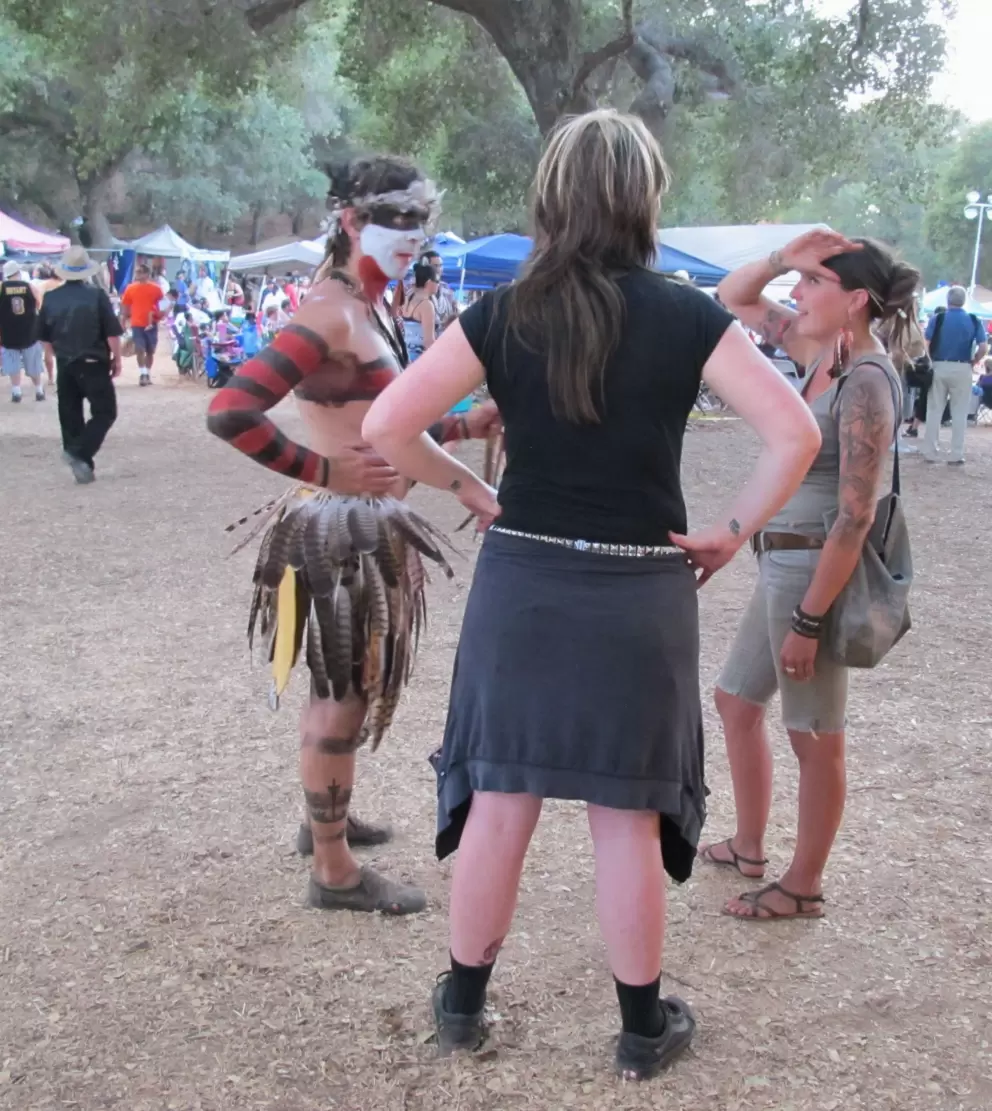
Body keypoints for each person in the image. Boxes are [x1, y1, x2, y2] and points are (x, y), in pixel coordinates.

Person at [362, 110, 821, 1078]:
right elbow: (795, 435)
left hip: (523, 578)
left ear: (551, 197)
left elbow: (390, 424)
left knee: (500, 799)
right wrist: (729, 534)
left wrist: (471, 489)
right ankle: (639, 1028)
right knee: (626, 814)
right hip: (638, 594)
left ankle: (460, 1006)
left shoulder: (503, 311)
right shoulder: (689, 312)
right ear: (642, 198)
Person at [206, 155, 502, 916]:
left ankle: (325, 823)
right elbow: (232, 410)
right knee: (341, 695)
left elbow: (386, 422)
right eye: (395, 222)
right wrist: (325, 470)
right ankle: (333, 869)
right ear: (349, 223)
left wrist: (467, 425)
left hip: (365, 527)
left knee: (351, 683)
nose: (411, 240)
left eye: (419, 225)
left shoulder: (366, 309)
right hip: (341, 529)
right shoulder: (330, 315)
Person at [703, 230, 920, 921]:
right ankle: (748, 842)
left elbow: (854, 516)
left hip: (813, 573)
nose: (795, 294)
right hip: (782, 562)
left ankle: (804, 883)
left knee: (817, 733)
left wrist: (808, 619)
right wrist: (783, 257)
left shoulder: (866, 380)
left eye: (811, 284)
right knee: (737, 701)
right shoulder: (819, 351)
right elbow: (729, 297)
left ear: (854, 299)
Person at [38, 246, 123, 484]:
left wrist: (54, 356)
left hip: (65, 361)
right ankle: (80, 453)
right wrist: (116, 358)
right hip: (93, 360)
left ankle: (81, 460)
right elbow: (112, 333)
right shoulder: (96, 296)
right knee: (105, 411)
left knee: (69, 412)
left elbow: (44, 336)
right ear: (86, 271)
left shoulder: (51, 298)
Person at [922, 286, 987, 465]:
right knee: (959, 411)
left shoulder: (939, 318)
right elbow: (983, 347)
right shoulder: (974, 320)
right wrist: (974, 361)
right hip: (963, 367)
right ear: (964, 301)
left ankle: (930, 451)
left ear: (948, 300)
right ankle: (956, 453)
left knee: (935, 409)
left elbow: (926, 341)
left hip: (939, 365)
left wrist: (929, 360)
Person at [0, 261, 46, 402]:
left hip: (8, 332)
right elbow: (40, 306)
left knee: (12, 362)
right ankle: (38, 390)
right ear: (18, 272)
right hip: (29, 331)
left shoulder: (1, 288)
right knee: (33, 363)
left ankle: (16, 391)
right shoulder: (30, 287)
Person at [120, 264, 165, 386]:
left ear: (146, 274)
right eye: (137, 272)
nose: (137, 274)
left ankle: (148, 374)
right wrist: (123, 321)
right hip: (137, 323)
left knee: (150, 351)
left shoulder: (156, 289)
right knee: (140, 349)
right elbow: (125, 306)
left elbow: (163, 305)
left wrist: (160, 316)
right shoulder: (130, 288)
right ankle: (143, 374)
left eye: (140, 272)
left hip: (152, 324)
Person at [400, 262, 438, 362]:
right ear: (429, 283)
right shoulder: (426, 305)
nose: (439, 284)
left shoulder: (409, 298)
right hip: (418, 358)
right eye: (437, 280)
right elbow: (429, 342)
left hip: (405, 355)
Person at [420, 250, 458, 330]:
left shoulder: (446, 290)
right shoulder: (414, 288)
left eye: (440, 266)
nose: (438, 269)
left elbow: (453, 315)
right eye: (435, 266)